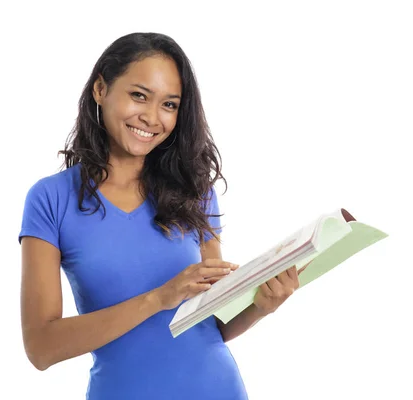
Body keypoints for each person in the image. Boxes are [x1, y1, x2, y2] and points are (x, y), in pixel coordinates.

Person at [19, 32, 301, 400]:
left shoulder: (195, 191)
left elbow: (211, 322)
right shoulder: (50, 199)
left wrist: (260, 308)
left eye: (169, 104)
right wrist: (159, 298)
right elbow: (41, 347)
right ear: (100, 89)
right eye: (139, 95)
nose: (152, 118)